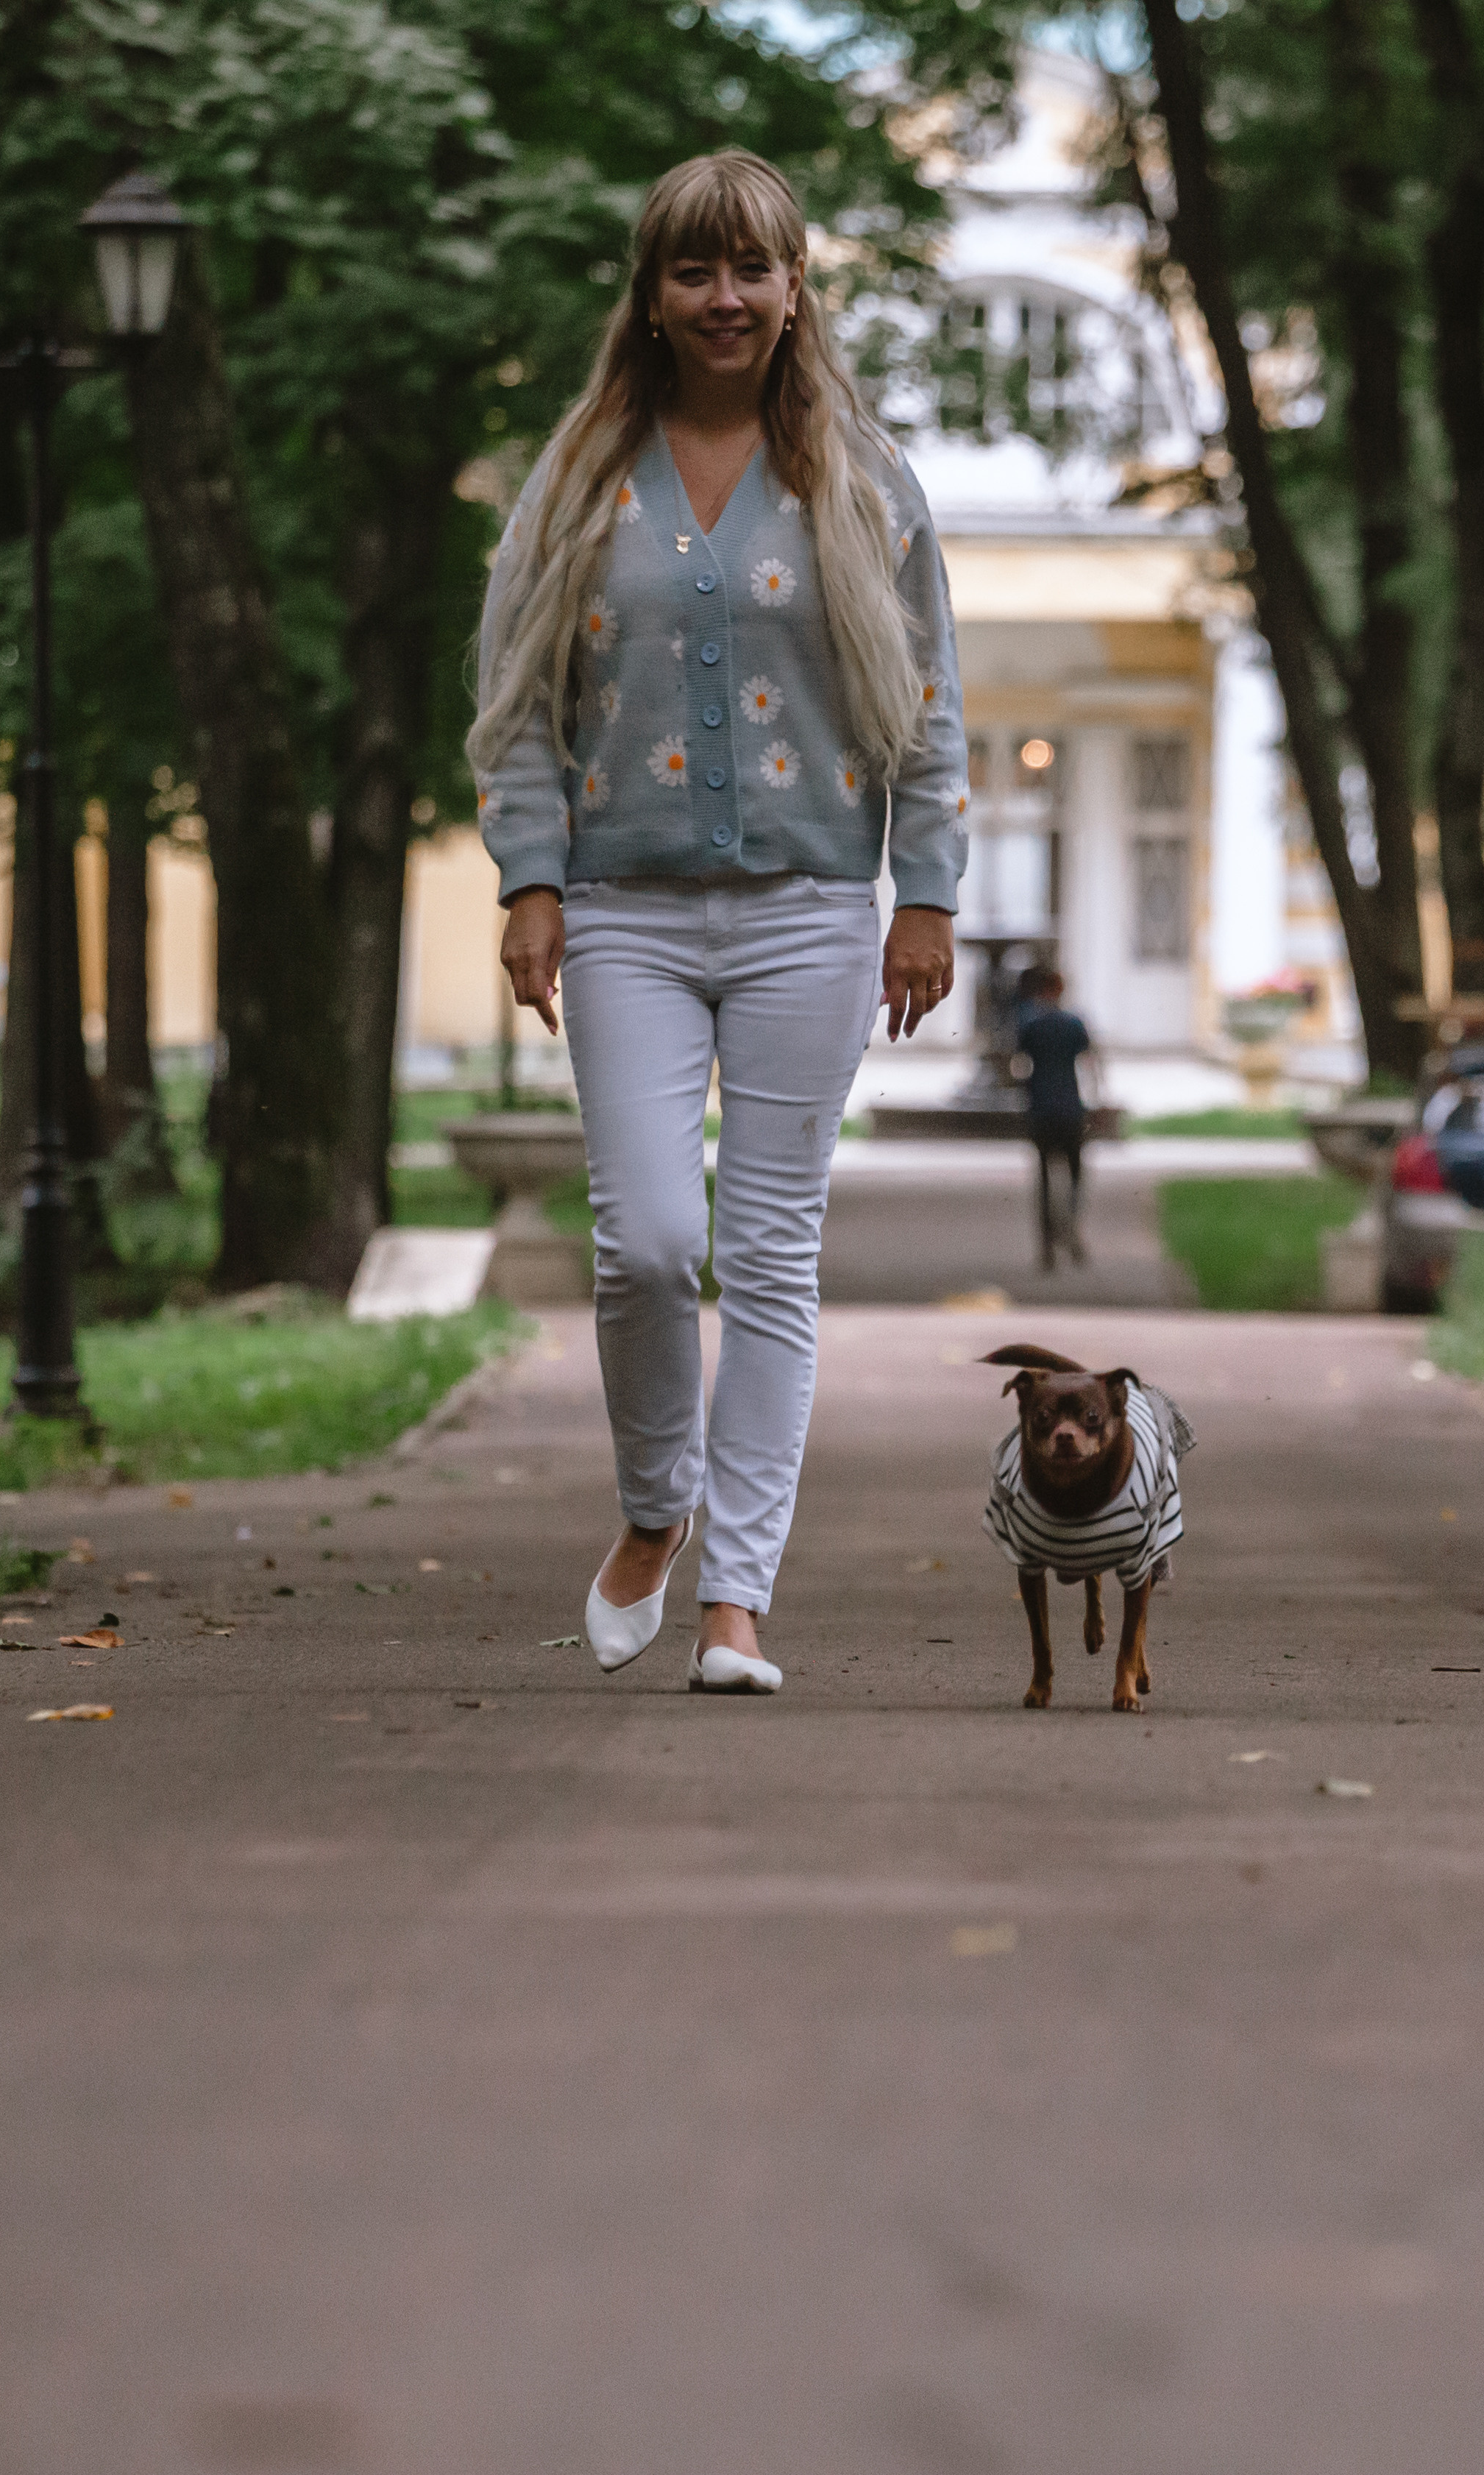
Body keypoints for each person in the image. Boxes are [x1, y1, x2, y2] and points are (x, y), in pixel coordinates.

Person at [469, 149, 968, 1695]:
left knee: (767, 1255)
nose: (726, 297)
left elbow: (934, 708)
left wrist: (927, 894)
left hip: (812, 911)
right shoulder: (570, 486)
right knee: (645, 1244)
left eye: (753, 268)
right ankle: (652, 1504)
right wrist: (532, 879)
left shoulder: (865, 485)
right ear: (655, 294)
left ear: (796, 285)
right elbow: (517, 709)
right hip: (622, 910)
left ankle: (737, 1598)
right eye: (695, 270)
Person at [1014, 967, 1091, 1270]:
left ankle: (1046, 1245)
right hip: (1071, 1107)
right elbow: (1090, 1062)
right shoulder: (1074, 1024)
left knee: (1044, 1178)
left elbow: (1019, 1065)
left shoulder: (1030, 1025)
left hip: (1043, 1109)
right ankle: (1070, 1227)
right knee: (1074, 1176)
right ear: (1060, 990)